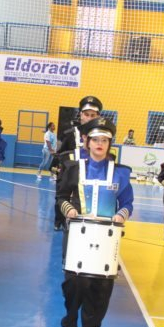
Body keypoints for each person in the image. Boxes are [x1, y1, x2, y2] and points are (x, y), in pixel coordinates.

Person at [56, 117, 133, 327]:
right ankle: (70, 321)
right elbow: (61, 197)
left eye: (104, 140)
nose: (100, 144)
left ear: (109, 144)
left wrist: (121, 215)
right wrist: (69, 210)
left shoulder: (121, 173)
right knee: (74, 282)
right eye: (96, 139)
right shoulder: (73, 168)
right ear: (87, 142)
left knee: (102, 287)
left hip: (107, 237)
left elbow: (127, 203)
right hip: (77, 233)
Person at [53, 96, 102, 230]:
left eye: (93, 115)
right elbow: (61, 154)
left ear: (98, 116)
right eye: (86, 114)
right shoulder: (70, 134)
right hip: (71, 173)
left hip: (91, 175)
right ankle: (59, 221)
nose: (89, 118)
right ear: (80, 115)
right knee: (62, 196)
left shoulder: (102, 135)